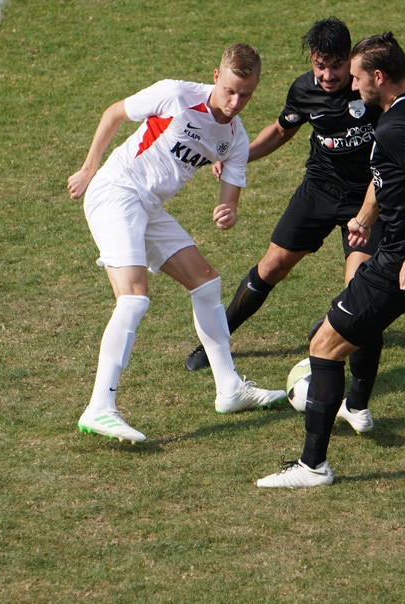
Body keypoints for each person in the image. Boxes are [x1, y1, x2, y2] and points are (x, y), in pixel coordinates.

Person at [183, 18, 405, 436]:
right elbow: (281, 130)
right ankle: (215, 345)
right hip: (319, 191)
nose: (327, 76)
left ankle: (357, 401)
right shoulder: (304, 89)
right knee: (271, 266)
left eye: (336, 66)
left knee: (359, 291)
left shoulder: (370, 87)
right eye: (319, 66)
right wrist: (239, 156)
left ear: (351, 62)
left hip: (367, 201)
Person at [257, 31, 405, 487]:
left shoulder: (392, 127)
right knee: (345, 329)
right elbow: (388, 175)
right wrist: (366, 216)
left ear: (378, 77)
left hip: (399, 261)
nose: (351, 84)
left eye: (357, 77)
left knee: (323, 345)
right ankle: (356, 406)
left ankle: (313, 467)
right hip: (399, 251)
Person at [67, 43, 287, 445]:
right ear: (216, 77)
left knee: (206, 282)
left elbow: (230, 198)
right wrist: (88, 168)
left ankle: (229, 388)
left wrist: (228, 212)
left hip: (148, 207)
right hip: (116, 191)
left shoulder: (236, 139)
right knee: (133, 298)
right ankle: (100, 406)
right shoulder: (176, 95)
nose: (235, 103)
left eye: (246, 95)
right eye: (230, 91)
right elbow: (114, 113)